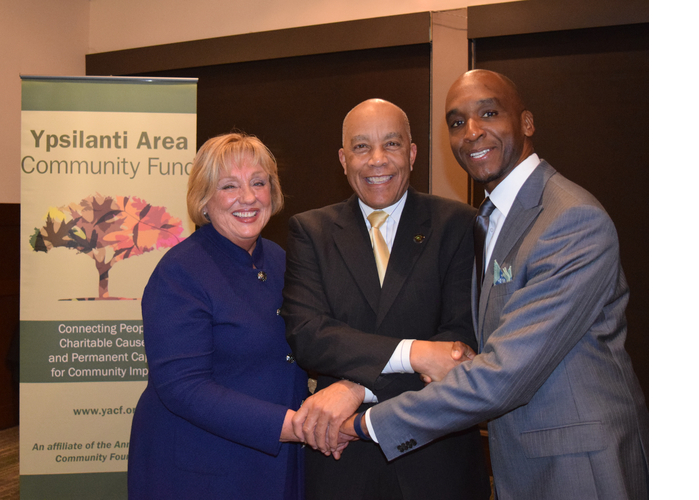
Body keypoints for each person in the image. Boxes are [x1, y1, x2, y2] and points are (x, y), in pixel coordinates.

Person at [341, 70, 649, 500]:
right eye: (455, 122)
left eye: (489, 112)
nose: (471, 132)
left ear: (526, 122)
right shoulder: (489, 219)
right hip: (523, 460)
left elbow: (506, 371)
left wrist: (364, 422)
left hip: (578, 466)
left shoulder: (569, 219)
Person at [281, 99, 491, 500]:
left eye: (391, 144)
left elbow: (460, 343)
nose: (377, 160)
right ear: (343, 160)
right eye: (361, 147)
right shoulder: (311, 231)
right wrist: (415, 353)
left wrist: (359, 389)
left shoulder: (459, 224)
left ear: (411, 154)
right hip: (341, 466)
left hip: (437, 463)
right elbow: (309, 334)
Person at [128, 132, 308, 499]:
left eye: (258, 182)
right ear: (204, 200)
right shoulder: (179, 271)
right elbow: (183, 386)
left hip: (275, 461)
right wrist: (291, 425)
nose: (248, 197)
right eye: (229, 186)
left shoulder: (278, 258)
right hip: (203, 469)